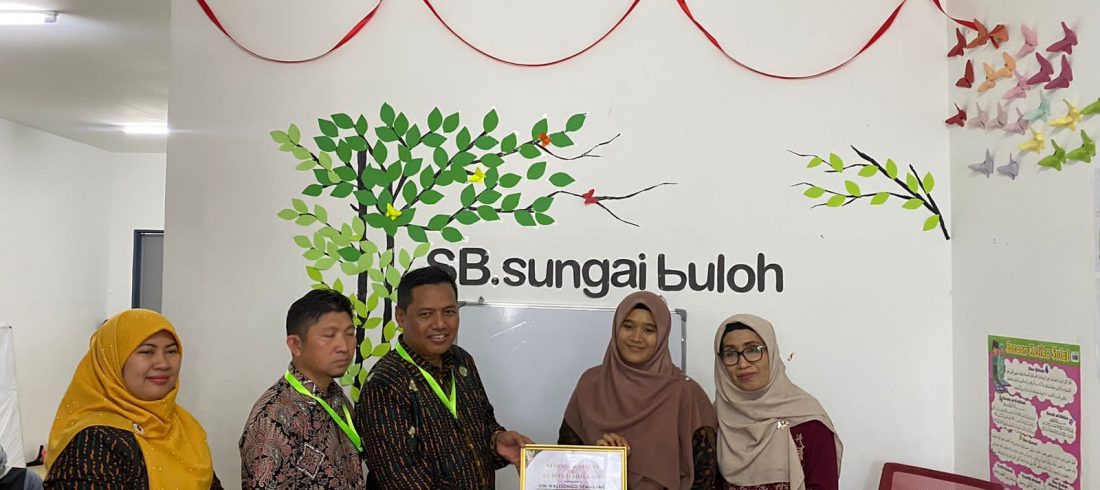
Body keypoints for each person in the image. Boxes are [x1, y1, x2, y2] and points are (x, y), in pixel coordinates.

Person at [355, 265, 532, 489]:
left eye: (449, 312)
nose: (440, 324)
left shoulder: (461, 361)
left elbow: (483, 425)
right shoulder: (385, 384)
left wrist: (497, 440)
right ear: (401, 316)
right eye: (426, 314)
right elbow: (403, 480)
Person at [558, 291, 718, 489]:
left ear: (662, 335)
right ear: (616, 328)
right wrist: (597, 460)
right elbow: (564, 466)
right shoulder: (590, 384)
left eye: (649, 330)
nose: (636, 337)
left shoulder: (686, 394)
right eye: (628, 326)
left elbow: (705, 477)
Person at [44, 309, 220, 489]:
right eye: (147, 351)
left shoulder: (185, 428)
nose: (163, 363)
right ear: (112, 361)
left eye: (171, 351)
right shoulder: (93, 439)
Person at [239, 289, 364, 489]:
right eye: (329, 335)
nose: (344, 346)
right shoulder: (274, 418)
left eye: (350, 334)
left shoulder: (337, 399)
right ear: (296, 345)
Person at [714, 314, 842, 490]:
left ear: (772, 352)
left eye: (753, 350)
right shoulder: (717, 419)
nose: (742, 364)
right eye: (730, 353)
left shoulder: (808, 421)